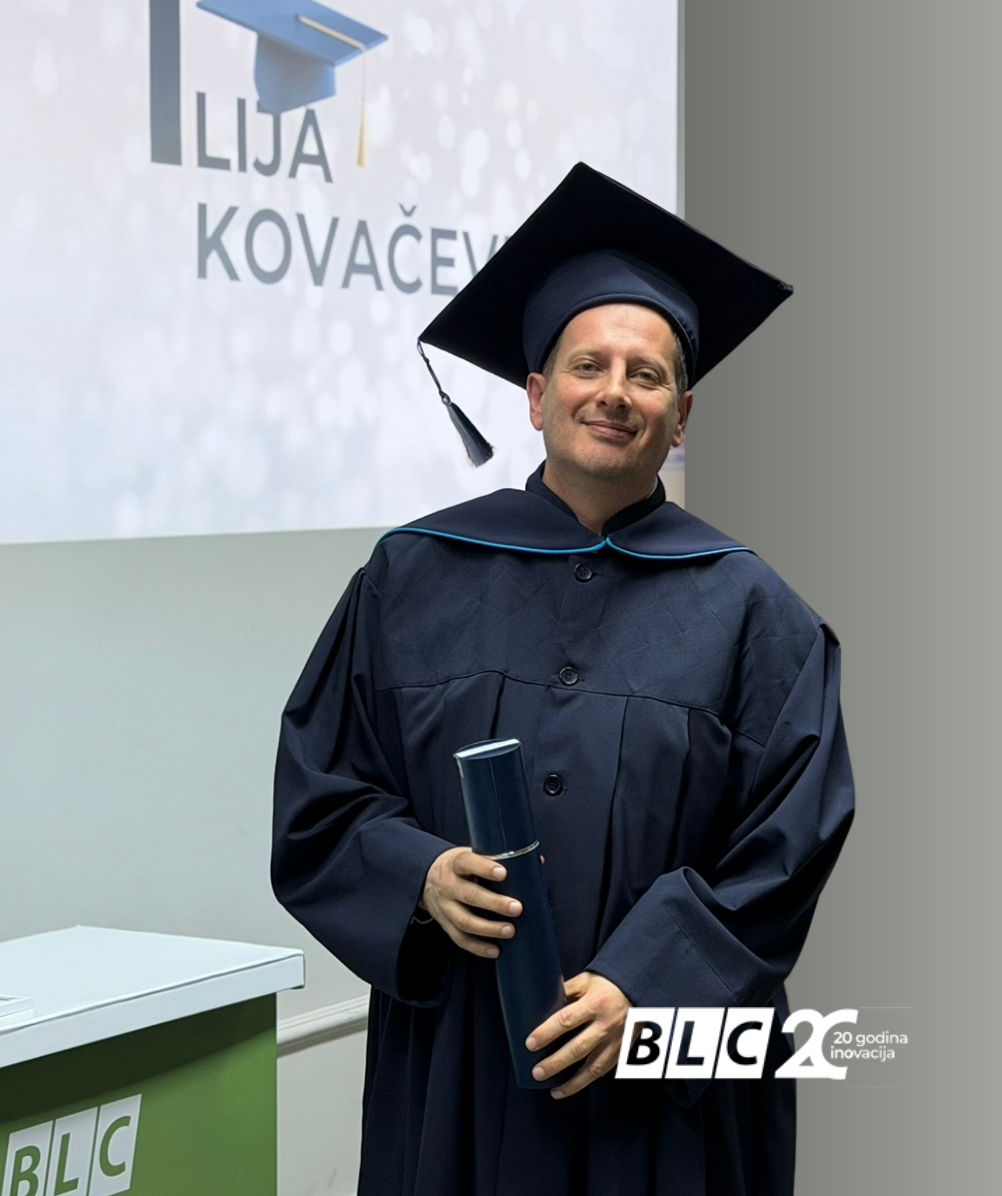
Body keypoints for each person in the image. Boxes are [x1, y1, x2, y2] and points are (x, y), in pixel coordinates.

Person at [271, 163, 855, 1196]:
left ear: (681, 416)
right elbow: (321, 794)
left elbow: (789, 845)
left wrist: (650, 982)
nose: (615, 392)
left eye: (647, 374)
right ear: (538, 396)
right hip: (459, 1060)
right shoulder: (411, 578)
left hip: (662, 1081)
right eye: (589, 365)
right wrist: (419, 876)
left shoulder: (755, 613)